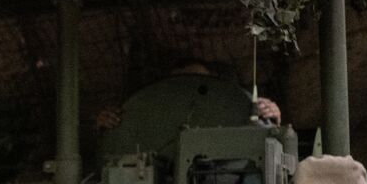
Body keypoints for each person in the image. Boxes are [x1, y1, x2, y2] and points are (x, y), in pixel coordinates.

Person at [95, 58, 281, 130]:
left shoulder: (239, 112)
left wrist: (273, 118)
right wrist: (106, 126)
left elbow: (264, 138)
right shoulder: (145, 116)